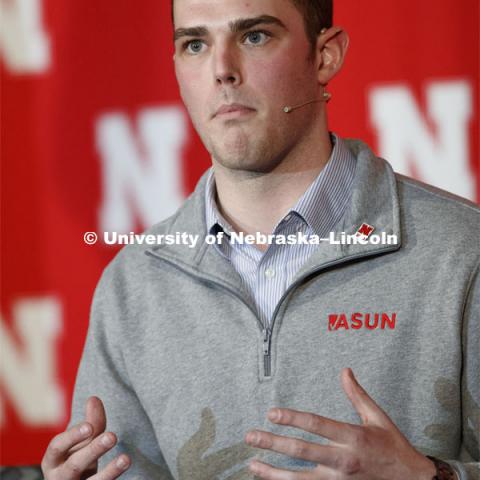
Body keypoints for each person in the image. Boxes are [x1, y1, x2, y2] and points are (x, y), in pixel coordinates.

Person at [41, 0, 479, 479]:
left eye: (254, 36)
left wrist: (429, 476)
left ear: (325, 56)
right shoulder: (133, 284)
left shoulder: (462, 251)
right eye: (195, 44)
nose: (222, 70)